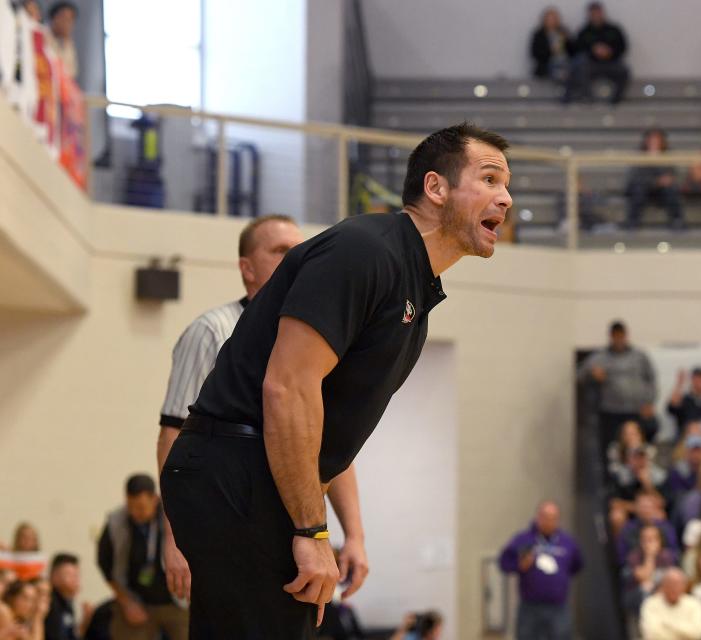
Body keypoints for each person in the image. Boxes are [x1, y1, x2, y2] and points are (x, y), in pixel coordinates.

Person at [161, 123, 512, 637]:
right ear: (436, 188)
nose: (505, 198)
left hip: (254, 478)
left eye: (506, 185)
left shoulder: (413, 280)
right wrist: (310, 529)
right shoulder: (365, 251)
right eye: (489, 178)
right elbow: (287, 388)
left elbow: (328, 427)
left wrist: (337, 529)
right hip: (237, 472)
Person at [154, 215, 313, 605]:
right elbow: (173, 435)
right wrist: (174, 536)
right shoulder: (212, 330)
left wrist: (355, 535)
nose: (294, 259)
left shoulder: (313, 337)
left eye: (299, 250)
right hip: (221, 515)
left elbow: (323, 439)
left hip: (290, 521)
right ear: (247, 267)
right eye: (280, 251)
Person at [97, 474, 187, 640]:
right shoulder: (115, 522)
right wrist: (126, 602)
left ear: (155, 499)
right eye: (130, 506)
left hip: (177, 601)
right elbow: (105, 564)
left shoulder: (176, 517)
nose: (135, 512)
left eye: (141, 506)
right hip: (135, 602)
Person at [499, 501, 582, 640]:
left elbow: (577, 565)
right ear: (538, 517)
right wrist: (519, 566)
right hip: (530, 607)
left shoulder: (567, 542)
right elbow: (503, 563)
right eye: (545, 517)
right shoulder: (523, 539)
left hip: (558, 607)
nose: (549, 522)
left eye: (553, 518)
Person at [578, 320, 658, 444]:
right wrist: (592, 374)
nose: (619, 339)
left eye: (621, 336)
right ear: (611, 336)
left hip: (636, 411)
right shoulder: (600, 357)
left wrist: (649, 402)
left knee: (638, 444)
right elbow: (580, 374)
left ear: (626, 336)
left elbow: (651, 379)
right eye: (616, 336)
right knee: (611, 446)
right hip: (611, 412)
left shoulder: (639, 356)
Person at [564, 2, 629, 104]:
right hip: (591, 65)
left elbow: (623, 47)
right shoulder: (584, 32)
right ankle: (587, 99)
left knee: (624, 70)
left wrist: (609, 51)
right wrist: (593, 51)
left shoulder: (614, 30)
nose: (596, 16)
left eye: (598, 13)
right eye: (593, 13)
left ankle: (616, 102)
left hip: (611, 63)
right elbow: (576, 51)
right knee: (579, 65)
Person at [624, 129, 685, 231]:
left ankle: (677, 220)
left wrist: (665, 179)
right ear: (646, 141)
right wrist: (656, 181)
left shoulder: (668, 156)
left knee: (671, 189)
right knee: (638, 189)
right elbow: (636, 178)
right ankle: (632, 221)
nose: (654, 143)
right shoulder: (639, 156)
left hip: (662, 191)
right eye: (652, 140)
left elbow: (672, 174)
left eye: (657, 140)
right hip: (644, 189)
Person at [620, 524, 676, 626]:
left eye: (652, 539)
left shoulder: (667, 556)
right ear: (640, 541)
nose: (648, 542)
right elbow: (644, 577)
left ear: (660, 540)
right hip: (637, 601)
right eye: (645, 539)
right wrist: (650, 556)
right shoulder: (634, 556)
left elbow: (670, 581)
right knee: (646, 587)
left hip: (663, 599)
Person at [640, 568, 701, 640]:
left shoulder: (695, 604)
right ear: (663, 586)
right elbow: (652, 635)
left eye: (677, 584)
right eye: (670, 583)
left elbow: (698, 634)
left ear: (684, 586)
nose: (674, 588)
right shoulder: (650, 604)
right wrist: (684, 632)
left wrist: (667, 625)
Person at [45, 553, 90, 640]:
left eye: (77, 575)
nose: (75, 580)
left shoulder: (67, 602)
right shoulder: (49, 603)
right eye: (70, 575)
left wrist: (85, 622)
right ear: (54, 576)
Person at [530, 7, 576, 81]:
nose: (552, 21)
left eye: (554, 19)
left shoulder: (563, 31)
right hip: (547, 63)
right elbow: (534, 53)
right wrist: (550, 51)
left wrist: (567, 40)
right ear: (544, 20)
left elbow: (573, 51)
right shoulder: (539, 34)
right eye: (549, 19)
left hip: (565, 62)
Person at [606, 420, 647, 487]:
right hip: (624, 488)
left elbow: (655, 477)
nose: (630, 437)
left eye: (633, 433)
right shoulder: (615, 450)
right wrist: (630, 451)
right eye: (626, 434)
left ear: (640, 435)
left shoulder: (648, 449)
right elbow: (621, 478)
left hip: (645, 488)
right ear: (621, 435)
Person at [47, 2, 77, 80]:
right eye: (64, 18)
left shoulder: (68, 43)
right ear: (54, 18)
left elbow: (71, 74)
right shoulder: (42, 36)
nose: (67, 24)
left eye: (71, 20)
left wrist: (67, 43)